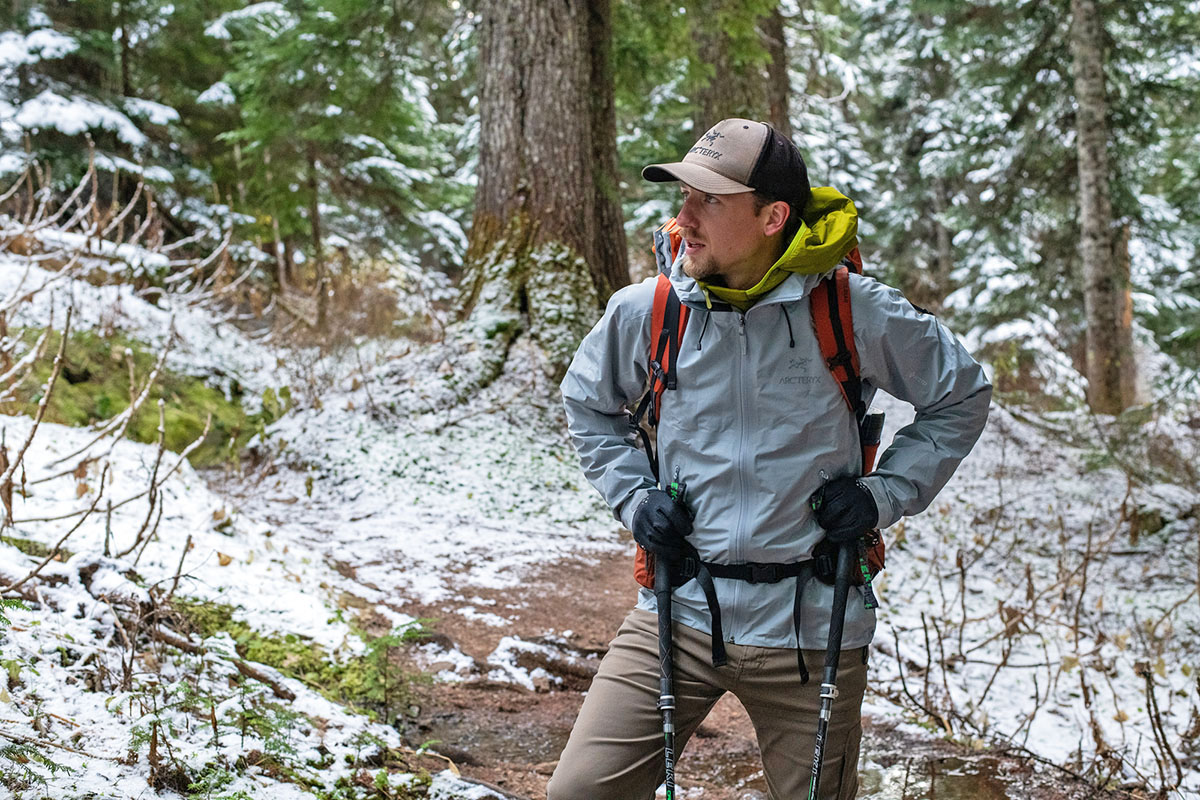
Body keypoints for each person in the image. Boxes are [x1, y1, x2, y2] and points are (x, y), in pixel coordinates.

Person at [549, 118, 992, 800]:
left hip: (814, 627)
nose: (683, 217)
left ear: (772, 217)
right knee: (581, 793)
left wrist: (884, 494)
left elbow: (961, 393)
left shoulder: (852, 312)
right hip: (679, 614)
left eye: (709, 200)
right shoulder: (653, 311)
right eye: (683, 195)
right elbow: (588, 404)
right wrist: (636, 497)